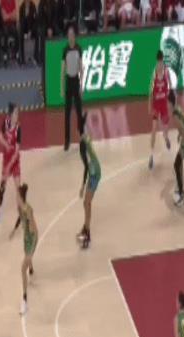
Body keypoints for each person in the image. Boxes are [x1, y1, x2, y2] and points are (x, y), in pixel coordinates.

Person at [9, 183, 38, 315]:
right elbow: (19, 219)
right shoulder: (20, 208)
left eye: (17, 196)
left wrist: (32, 249)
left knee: (22, 269)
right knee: (27, 260)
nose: (16, 198)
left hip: (32, 239)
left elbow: (34, 231)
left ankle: (25, 301)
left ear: (21, 198)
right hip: (26, 239)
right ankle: (31, 270)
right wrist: (14, 230)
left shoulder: (28, 211)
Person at [0, 102, 22, 224]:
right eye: (15, 113)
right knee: (2, 186)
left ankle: (20, 215)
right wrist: (6, 145)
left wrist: (9, 166)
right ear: (10, 115)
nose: (17, 115)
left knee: (18, 188)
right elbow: (0, 137)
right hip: (6, 159)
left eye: (18, 113)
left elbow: (16, 151)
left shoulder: (18, 129)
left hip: (14, 161)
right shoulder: (5, 122)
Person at [77, 113, 101, 249]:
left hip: (94, 174)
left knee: (87, 202)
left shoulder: (82, 145)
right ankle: (85, 228)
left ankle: (87, 233)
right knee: (86, 203)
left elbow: (86, 167)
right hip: (94, 169)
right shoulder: (85, 138)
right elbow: (89, 135)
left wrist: (82, 186)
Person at [61, 26, 83, 151]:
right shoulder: (65, 50)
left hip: (76, 81)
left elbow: (81, 67)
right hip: (69, 82)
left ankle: (81, 138)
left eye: (72, 35)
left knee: (79, 112)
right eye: (68, 35)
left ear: (74, 36)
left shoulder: (79, 48)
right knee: (67, 113)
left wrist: (82, 86)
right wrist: (62, 88)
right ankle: (67, 140)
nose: (70, 37)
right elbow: (62, 70)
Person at [148, 50, 171, 170]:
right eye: (159, 62)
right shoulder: (154, 73)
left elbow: (170, 87)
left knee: (164, 130)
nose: (160, 64)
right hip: (157, 105)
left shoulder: (166, 72)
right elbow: (150, 91)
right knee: (154, 130)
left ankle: (166, 139)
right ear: (157, 61)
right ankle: (151, 156)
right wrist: (149, 106)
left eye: (161, 62)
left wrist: (169, 99)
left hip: (164, 104)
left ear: (162, 60)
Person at [168, 91, 184, 206]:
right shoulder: (178, 108)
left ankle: (181, 195)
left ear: (170, 102)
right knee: (179, 163)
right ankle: (180, 185)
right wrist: (180, 133)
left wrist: (182, 137)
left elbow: (182, 129)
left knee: (176, 164)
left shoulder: (174, 114)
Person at [19, 0, 39, 65]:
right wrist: (25, 33)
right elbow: (21, 21)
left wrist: (30, 30)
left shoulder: (33, 6)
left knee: (37, 34)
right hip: (24, 29)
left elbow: (35, 21)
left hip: (32, 29)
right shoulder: (21, 7)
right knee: (20, 35)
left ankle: (36, 57)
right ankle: (22, 59)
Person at [0, 0, 20, 65]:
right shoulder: (2, 1)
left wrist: (8, 15)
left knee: (17, 33)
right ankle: (5, 55)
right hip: (4, 25)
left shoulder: (13, 1)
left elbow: (15, 17)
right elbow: (4, 18)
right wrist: (11, 15)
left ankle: (16, 54)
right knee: (5, 34)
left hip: (12, 24)